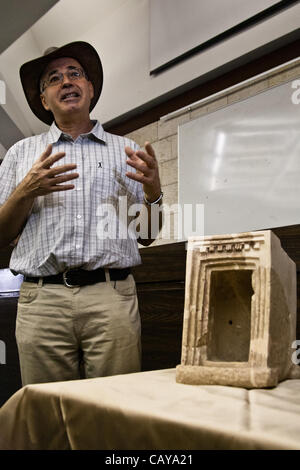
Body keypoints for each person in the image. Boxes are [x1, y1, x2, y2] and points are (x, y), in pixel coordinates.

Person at [0, 41, 163, 386]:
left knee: (115, 411)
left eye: (75, 73)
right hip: (41, 301)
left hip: (111, 299)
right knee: (48, 415)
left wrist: (153, 193)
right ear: (44, 101)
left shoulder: (128, 150)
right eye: (54, 79)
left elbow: (146, 235)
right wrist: (28, 189)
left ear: (90, 88)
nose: (66, 81)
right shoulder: (20, 153)